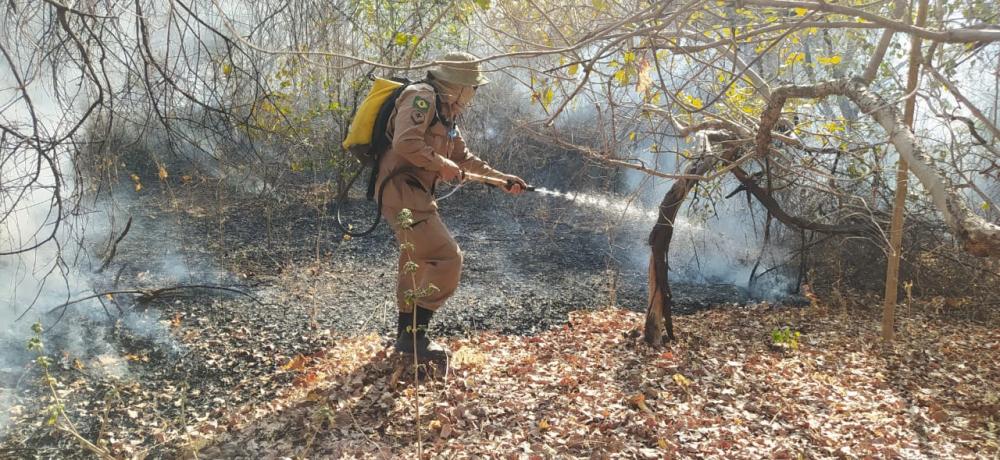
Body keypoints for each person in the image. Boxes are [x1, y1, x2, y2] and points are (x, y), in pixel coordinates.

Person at [376, 51, 527, 360]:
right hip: (401, 190)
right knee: (447, 258)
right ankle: (414, 340)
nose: (474, 92)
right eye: (473, 85)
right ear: (458, 85)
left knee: (415, 260)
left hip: (413, 192)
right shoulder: (421, 97)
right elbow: (405, 142)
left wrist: (500, 179)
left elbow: (464, 158)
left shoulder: (447, 111)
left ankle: (408, 340)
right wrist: (441, 163)